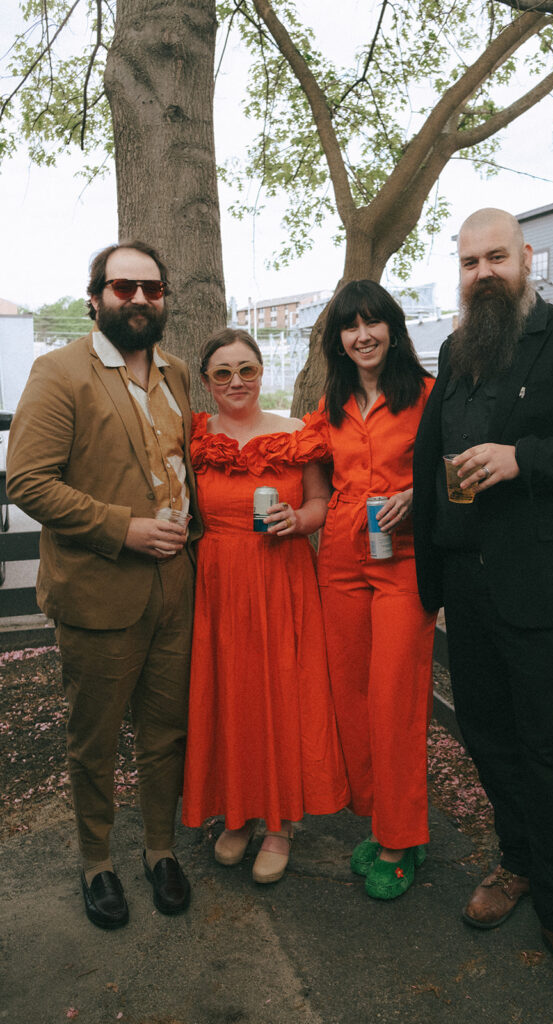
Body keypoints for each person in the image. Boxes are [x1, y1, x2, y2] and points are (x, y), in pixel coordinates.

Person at [412, 208, 553, 1012]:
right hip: (469, 585)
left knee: (550, 751)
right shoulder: (454, 350)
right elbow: (433, 452)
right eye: (469, 260)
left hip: (545, 591)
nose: (482, 273)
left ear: (527, 259)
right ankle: (516, 860)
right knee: (485, 733)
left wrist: (523, 459)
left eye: (495, 257)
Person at [7, 241, 199, 929]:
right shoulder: (59, 372)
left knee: (164, 731)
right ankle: (97, 863)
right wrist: (123, 528)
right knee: (93, 740)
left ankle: (158, 850)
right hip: (98, 591)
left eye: (152, 288)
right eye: (124, 288)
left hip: (176, 589)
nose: (140, 300)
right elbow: (26, 481)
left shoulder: (176, 373)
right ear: (96, 297)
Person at [181, 328, 349, 884]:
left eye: (246, 369)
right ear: (206, 382)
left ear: (261, 373)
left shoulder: (298, 433)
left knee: (281, 692)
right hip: (219, 585)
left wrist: (299, 520)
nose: (236, 382)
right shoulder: (196, 437)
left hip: (280, 579)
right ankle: (240, 810)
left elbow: (323, 501)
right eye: (223, 372)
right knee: (231, 694)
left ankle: (281, 822)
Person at [303, 280, 437, 900]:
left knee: (394, 698)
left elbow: (457, 469)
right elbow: (309, 480)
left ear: (393, 328)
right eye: (349, 327)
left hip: (404, 559)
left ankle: (401, 839)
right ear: (337, 340)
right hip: (341, 558)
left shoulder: (430, 397)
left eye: (373, 323)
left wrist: (422, 495)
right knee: (352, 698)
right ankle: (383, 822)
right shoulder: (327, 406)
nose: (363, 336)